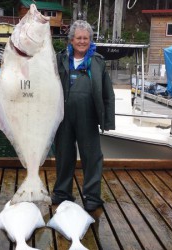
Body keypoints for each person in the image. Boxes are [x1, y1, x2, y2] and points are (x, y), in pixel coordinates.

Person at [52, 20, 115, 212]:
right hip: (62, 115)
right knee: (63, 155)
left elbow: (107, 93)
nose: (82, 41)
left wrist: (108, 120)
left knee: (92, 156)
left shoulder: (98, 61)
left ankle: (92, 196)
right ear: (71, 40)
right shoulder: (58, 59)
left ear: (90, 40)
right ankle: (62, 192)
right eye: (78, 38)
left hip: (88, 115)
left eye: (85, 38)